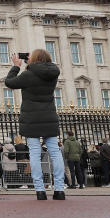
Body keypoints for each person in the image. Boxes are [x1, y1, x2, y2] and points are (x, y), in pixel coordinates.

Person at [5, 49, 65, 200]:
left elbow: (9, 82)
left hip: (31, 119)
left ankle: (40, 190)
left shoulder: (28, 74)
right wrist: (30, 63)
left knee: (34, 153)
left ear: (35, 59)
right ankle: (59, 190)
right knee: (55, 154)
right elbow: (41, 72)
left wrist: (17, 66)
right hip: (49, 117)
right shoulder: (53, 73)